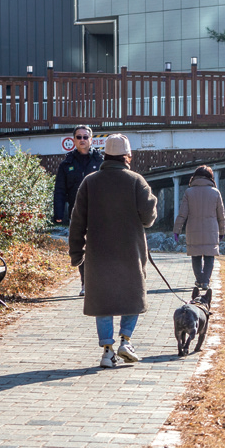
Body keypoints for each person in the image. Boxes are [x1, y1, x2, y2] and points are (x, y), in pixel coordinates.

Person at [68, 134, 158, 368]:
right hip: (130, 251)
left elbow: (77, 221)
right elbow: (148, 218)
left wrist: (76, 253)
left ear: (105, 155)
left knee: (103, 300)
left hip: (99, 253)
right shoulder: (136, 181)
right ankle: (126, 340)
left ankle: (107, 350)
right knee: (133, 295)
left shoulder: (90, 182)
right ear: (127, 156)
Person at [54, 125, 103, 296]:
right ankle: (85, 284)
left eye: (85, 137)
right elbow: (60, 190)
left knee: (98, 248)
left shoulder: (101, 161)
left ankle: (101, 282)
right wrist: (58, 213)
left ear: (91, 139)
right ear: (73, 140)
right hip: (78, 213)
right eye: (79, 137)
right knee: (81, 248)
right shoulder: (66, 164)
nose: (82, 140)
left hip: (100, 213)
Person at [173, 165, 225, 291]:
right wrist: (222, 231)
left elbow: (182, 214)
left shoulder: (189, 192)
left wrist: (177, 230)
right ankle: (206, 281)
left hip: (193, 230)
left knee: (195, 255)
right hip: (211, 230)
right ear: (210, 177)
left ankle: (199, 280)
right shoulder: (215, 192)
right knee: (209, 256)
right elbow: (221, 216)